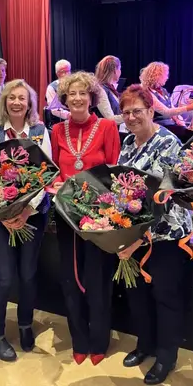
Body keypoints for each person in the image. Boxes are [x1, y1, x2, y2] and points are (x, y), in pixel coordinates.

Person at [115, 84, 193, 385]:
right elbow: (122, 189)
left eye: (137, 110)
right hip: (133, 233)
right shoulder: (128, 145)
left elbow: (167, 199)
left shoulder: (169, 143)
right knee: (137, 295)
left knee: (165, 296)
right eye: (126, 112)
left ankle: (165, 356)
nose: (132, 117)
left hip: (166, 235)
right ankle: (144, 344)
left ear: (151, 110)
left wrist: (137, 237)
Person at [49, 71, 121, 366]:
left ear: (92, 98)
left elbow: (115, 172)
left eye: (83, 93)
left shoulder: (106, 127)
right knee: (70, 277)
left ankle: (99, 340)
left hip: (98, 216)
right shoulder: (56, 131)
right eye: (71, 94)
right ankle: (79, 339)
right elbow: (54, 171)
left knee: (98, 277)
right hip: (67, 215)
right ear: (64, 99)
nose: (77, 98)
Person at [0, 79, 53, 362]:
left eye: (22, 98)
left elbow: (46, 173)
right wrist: (5, 213)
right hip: (0, 217)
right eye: (11, 97)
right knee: (3, 276)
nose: (16, 102)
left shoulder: (39, 131)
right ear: (4, 102)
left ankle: (25, 325)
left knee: (27, 274)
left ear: (29, 103)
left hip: (33, 214)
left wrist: (24, 211)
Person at [139, 61, 193, 127]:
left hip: (168, 125)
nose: (167, 78)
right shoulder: (146, 92)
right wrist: (190, 107)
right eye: (165, 75)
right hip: (156, 127)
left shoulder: (163, 90)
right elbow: (166, 112)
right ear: (157, 76)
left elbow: (172, 110)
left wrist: (181, 123)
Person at [93, 55, 124, 126]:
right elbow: (110, 119)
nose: (120, 72)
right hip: (104, 132)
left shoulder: (110, 89)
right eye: (120, 69)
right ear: (115, 71)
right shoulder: (100, 90)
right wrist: (129, 115)